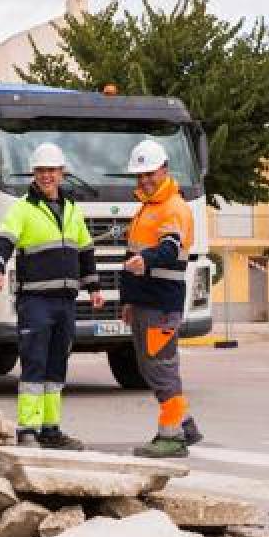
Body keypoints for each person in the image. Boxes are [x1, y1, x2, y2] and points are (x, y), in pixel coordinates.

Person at [0, 142, 103, 449]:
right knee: (35, 363)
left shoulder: (73, 210)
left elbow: (85, 251)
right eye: (41, 171)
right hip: (36, 301)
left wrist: (94, 288)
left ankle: (51, 430)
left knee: (57, 366)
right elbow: (3, 241)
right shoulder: (23, 208)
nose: (46, 176)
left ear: (62, 174)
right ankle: (27, 429)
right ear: (34, 174)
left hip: (65, 302)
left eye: (51, 171)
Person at [119, 139, 202, 458]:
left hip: (161, 304)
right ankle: (185, 425)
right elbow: (133, 257)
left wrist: (149, 260)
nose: (144, 180)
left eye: (149, 173)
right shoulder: (147, 208)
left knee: (160, 369)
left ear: (165, 169)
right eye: (139, 175)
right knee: (152, 366)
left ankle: (171, 435)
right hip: (145, 303)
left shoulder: (173, 208)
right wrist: (128, 300)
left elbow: (169, 247)